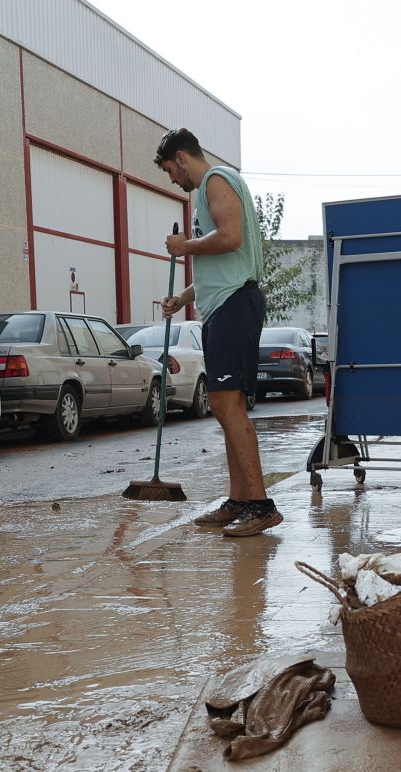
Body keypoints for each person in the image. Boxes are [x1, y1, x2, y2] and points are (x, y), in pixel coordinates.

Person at [153, 127, 280, 538]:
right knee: (228, 408)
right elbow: (222, 262)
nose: (173, 179)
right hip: (224, 303)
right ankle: (240, 500)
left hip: (234, 306)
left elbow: (230, 238)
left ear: (183, 159)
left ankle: (260, 505)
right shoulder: (215, 186)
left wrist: (184, 246)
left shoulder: (216, 181)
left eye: (172, 170)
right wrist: (184, 296)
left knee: (227, 407)